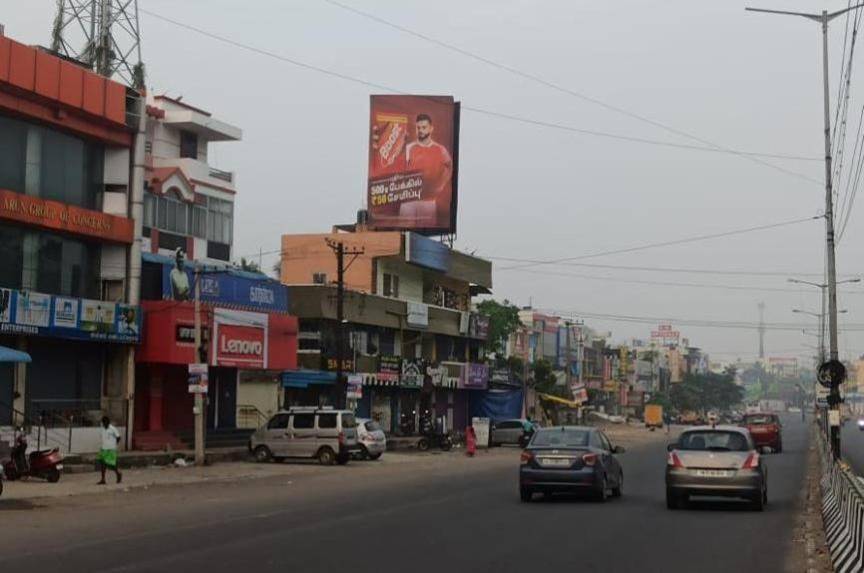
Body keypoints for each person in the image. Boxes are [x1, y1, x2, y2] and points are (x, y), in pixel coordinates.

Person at [404, 113, 453, 222]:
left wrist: (440, 185)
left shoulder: (440, 150)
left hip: (429, 202)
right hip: (409, 201)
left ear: (431, 129)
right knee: (403, 234)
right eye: (418, 128)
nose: (420, 130)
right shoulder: (409, 148)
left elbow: (449, 166)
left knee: (422, 235)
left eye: (424, 127)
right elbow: (398, 169)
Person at [98, 416, 122, 485]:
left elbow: (118, 437)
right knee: (102, 464)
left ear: (108, 422)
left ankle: (118, 473)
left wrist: (114, 444)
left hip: (111, 449)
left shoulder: (112, 429)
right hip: (104, 448)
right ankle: (103, 479)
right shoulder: (102, 429)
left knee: (111, 464)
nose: (103, 424)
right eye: (103, 423)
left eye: (104, 423)